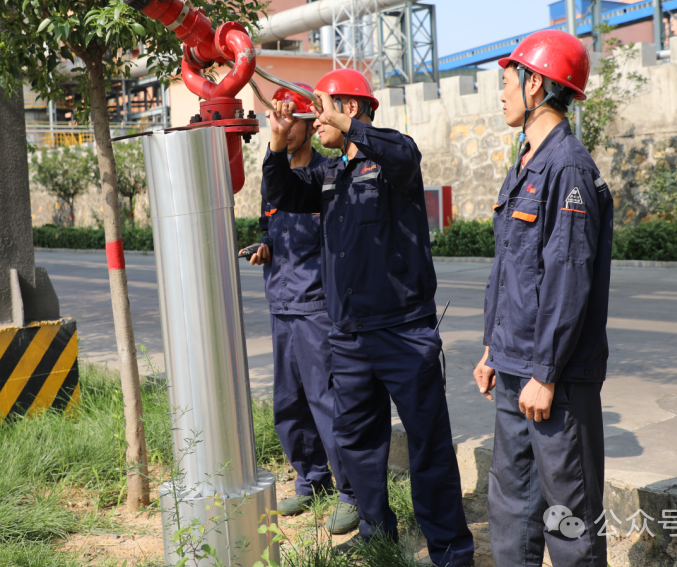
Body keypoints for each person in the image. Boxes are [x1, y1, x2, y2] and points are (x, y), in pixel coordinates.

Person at [263, 69, 474, 567]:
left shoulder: (393, 161)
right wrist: (275, 146)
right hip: (350, 337)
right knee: (356, 441)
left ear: (350, 109)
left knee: (428, 445)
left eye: (323, 108)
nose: (315, 120)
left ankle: (448, 549)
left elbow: (403, 152)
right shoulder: (330, 174)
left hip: (403, 332)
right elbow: (282, 195)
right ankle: (378, 531)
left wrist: (347, 125)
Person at [471, 30, 613, 567]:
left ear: (536, 85)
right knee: (511, 509)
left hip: (554, 376)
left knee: (568, 519)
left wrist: (546, 372)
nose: (501, 94)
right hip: (513, 367)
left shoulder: (568, 167)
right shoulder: (527, 162)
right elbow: (510, 267)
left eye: (507, 81)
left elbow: (568, 277)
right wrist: (492, 348)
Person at [248, 83, 359, 536]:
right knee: (288, 402)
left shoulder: (328, 175)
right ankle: (310, 477)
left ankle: (351, 491)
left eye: (291, 117)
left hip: (317, 307)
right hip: (282, 304)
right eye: (278, 118)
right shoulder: (274, 176)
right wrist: (263, 246)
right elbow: (268, 224)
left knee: (327, 400)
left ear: (310, 124)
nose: (284, 125)